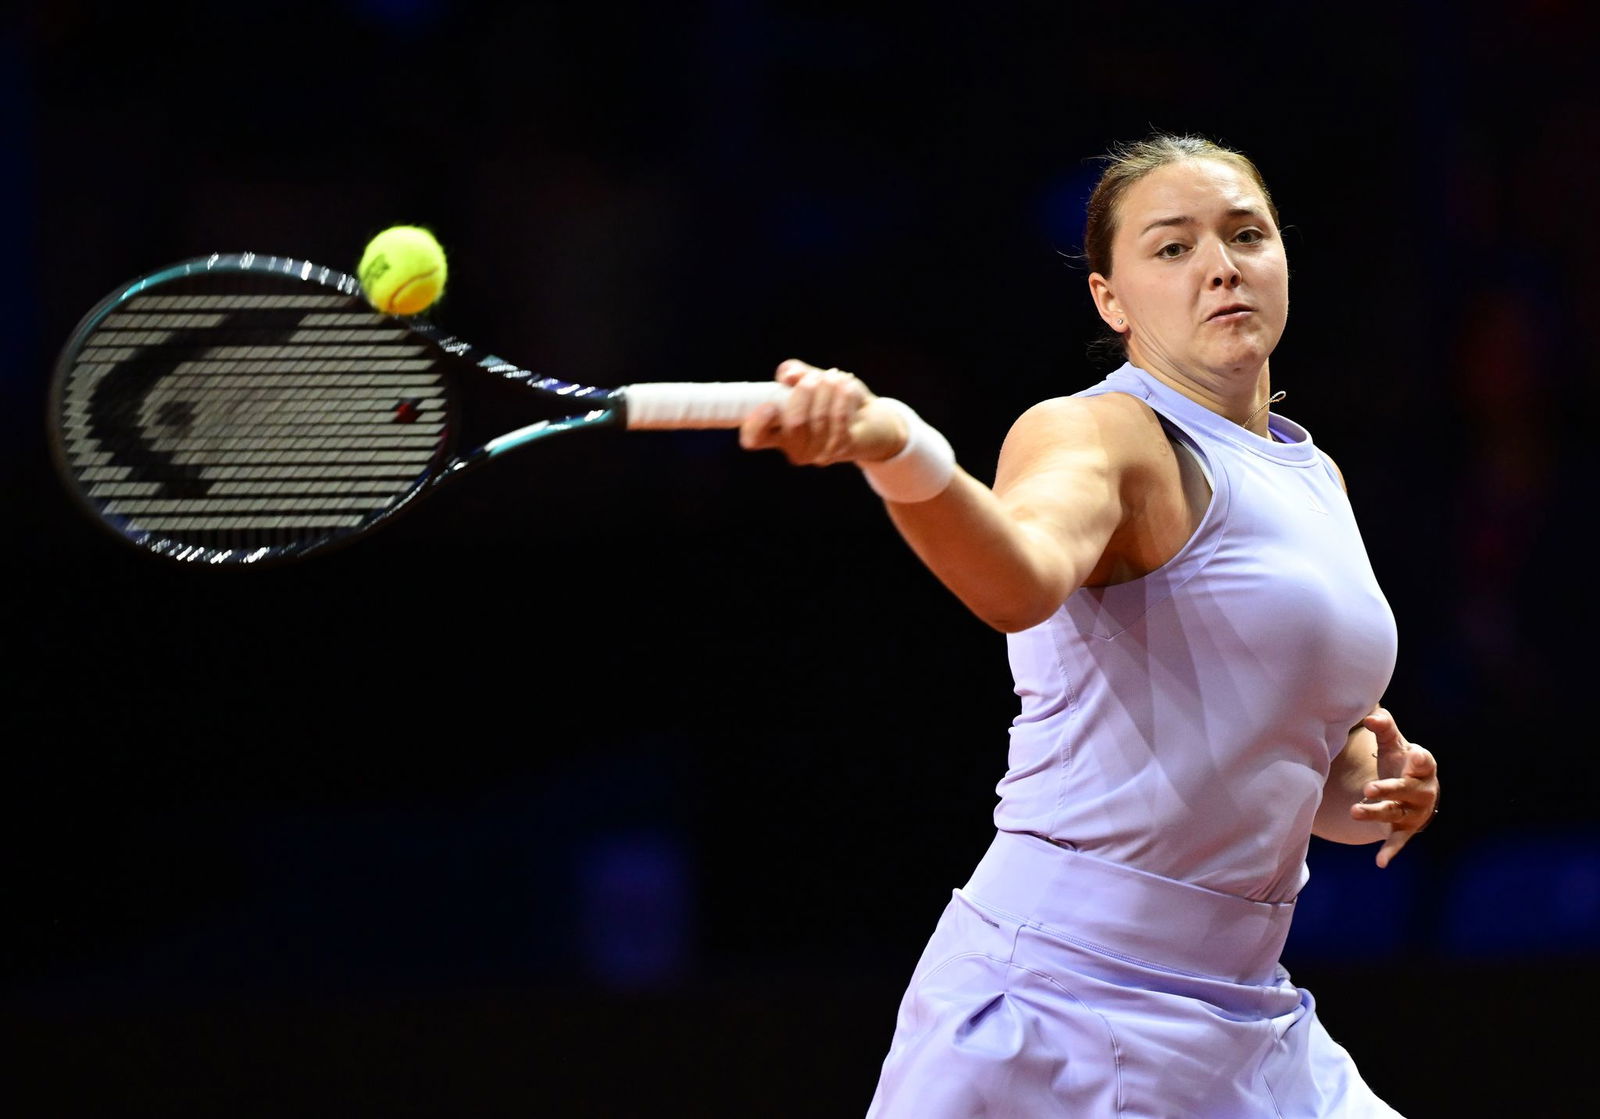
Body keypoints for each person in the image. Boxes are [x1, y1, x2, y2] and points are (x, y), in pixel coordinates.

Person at [737, 132, 1441, 1118]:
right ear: (1109, 298)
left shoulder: (1310, 474)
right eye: (1171, 247)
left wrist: (1370, 790)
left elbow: (1291, 750)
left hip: (1247, 1021)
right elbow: (1018, 580)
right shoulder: (1095, 433)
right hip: (1058, 1011)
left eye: (1245, 235)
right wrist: (897, 449)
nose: (1219, 265)